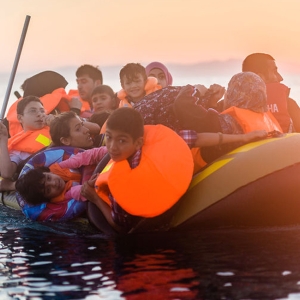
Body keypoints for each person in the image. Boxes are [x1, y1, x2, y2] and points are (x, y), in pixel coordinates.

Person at [80, 107, 194, 233]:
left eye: (121, 140)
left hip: (148, 226)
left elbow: (121, 227)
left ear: (139, 142)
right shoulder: (161, 144)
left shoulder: (121, 182)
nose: (112, 147)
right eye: (109, 137)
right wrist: (220, 138)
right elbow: (191, 137)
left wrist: (95, 198)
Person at [0, 96, 53, 191]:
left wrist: (57, 123)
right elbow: (7, 173)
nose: (39, 114)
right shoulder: (18, 146)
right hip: (49, 179)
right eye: (33, 111)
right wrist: (3, 140)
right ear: (20, 118)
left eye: (42, 111)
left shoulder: (53, 127)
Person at [242, 53, 300, 132]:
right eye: (274, 71)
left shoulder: (228, 106)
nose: (281, 78)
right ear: (259, 78)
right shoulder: (289, 105)